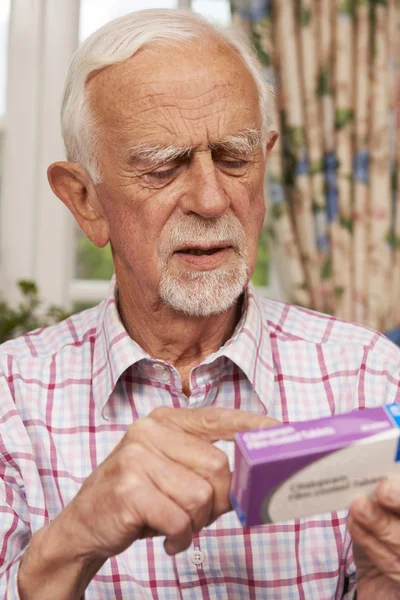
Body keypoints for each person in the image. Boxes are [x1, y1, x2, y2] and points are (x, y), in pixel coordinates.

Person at [0, 8, 400, 600]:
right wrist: (71, 542)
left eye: (235, 159)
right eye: (162, 168)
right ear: (85, 200)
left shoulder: (372, 376)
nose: (212, 199)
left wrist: (384, 580)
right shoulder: (9, 398)